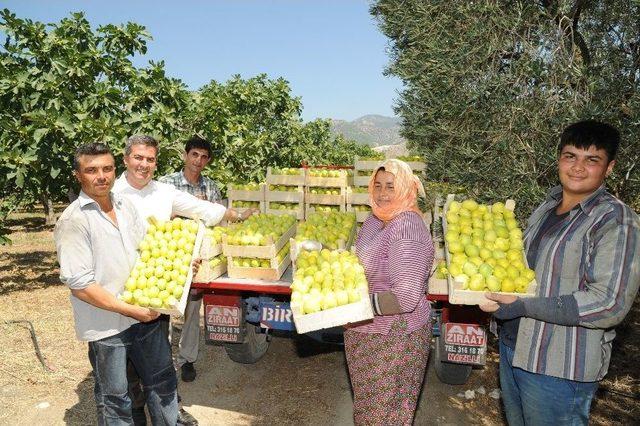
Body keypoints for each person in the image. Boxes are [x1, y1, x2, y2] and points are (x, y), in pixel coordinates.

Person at [480, 120, 640, 425]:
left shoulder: (617, 221)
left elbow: (609, 302)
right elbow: (527, 275)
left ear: (609, 167)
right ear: (559, 160)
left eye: (592, 159)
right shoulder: (547, 208)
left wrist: (523, 305)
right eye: (570, 156)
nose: (578, 167)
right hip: (516, 350)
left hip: (560, 368)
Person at [113, 134, 250, 426]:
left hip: (155, 290)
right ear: (125, 159)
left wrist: (236, 215)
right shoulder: (111, 192)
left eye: (150, 159)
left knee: (159, 361)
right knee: (125, 367)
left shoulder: (163, 192)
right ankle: (136, 413)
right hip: (119, 292)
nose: (144, 164)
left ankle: (171, 410)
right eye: (138, 158)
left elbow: (203, 209)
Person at [54, 142, 178, 425]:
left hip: (142, 315)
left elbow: (146, 249)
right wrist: (129, 309)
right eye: (91, 170)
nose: (101, 176)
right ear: (78, 175)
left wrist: (178, 265)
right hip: (106, 326)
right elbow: (81, 286)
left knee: (162, 381)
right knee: (116, 398)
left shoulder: (125, 205)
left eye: (107, 168)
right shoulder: (74, 221)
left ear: (115, 169)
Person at [344, 158, 435, 426]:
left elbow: (404, 298)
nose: (383, 194)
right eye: (378, 185)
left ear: (406, 188)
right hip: (366, 333)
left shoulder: (407, 226)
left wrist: (354, 305)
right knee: (369, 412)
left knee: (384, 416)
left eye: (391, 187)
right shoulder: (376, 219)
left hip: (394, 337)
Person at [158, 136, 222, 383]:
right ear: (186, 155)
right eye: (195, 154)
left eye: (204, 157)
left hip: (200, 258)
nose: (199, 161)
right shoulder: (167, 184)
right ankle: (162, 362)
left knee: (193, 310)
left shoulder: (211, 187)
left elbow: (216, 221)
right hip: (170, 256)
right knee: (162, 310)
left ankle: (187, 359)